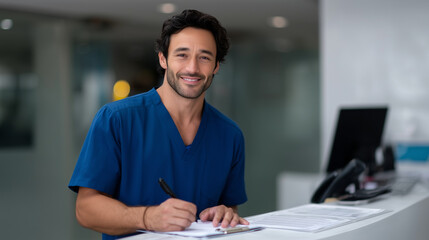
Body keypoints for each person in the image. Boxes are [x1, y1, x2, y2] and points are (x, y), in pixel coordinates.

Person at [68, 9, 248, 240]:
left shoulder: (230, 135)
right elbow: (86, 210)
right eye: (182, 55)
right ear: (163, 59)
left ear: (216, 66)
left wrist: (226, 214)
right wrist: (147, 218)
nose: (192, 68)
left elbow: (230, 208)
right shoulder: (117, 119)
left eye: (204, 57)